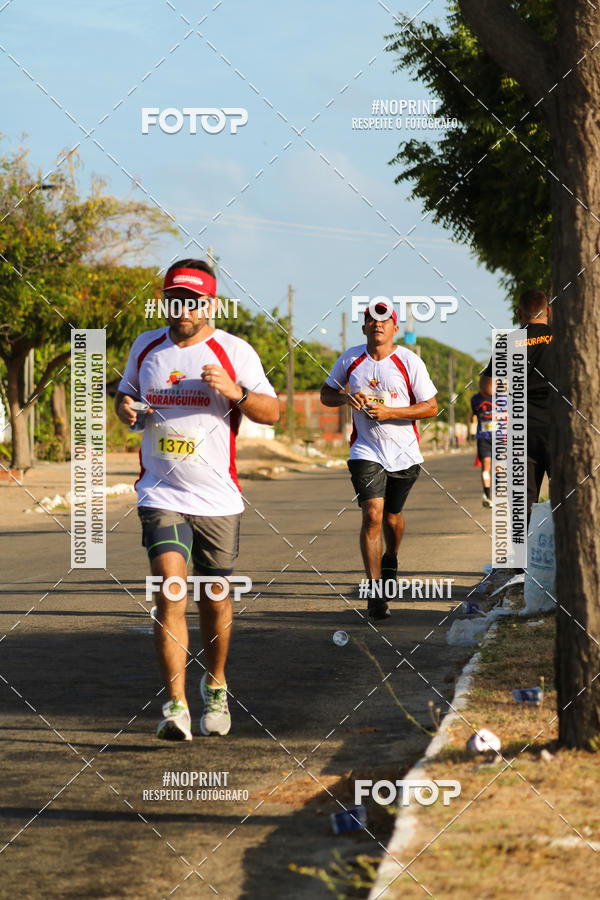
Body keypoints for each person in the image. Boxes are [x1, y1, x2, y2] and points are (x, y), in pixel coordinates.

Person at [115, 259, 280, 741]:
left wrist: (236, 391)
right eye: (174, 298)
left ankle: (216, 684)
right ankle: (176, 706)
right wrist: (125, 406)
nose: (182, 308)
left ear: (208, 303)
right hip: (160, 492)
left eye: (192, 300)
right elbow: (127, 398)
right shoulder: (146, 347)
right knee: (170, 590)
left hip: (218, 499)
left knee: (215, 597)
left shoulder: (233, 350)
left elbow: (271, 411)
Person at [320, 301, 438, 620]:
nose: (378, 325)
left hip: (404, 453)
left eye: (384, 321)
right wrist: (346, 397)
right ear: (364, 327)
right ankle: (375, 594)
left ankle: (392, 557)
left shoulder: (408, 361)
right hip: (365, 451)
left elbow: (430, 407)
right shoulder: (351, 358)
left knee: (392, 518)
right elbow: (326, 393)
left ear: (394, 328)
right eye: (372, 321)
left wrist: (391, 412)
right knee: (373, 513)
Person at [484, 289, 553, 523]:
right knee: (567, 496)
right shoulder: (562, 337)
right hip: (558, 428)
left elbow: (487, 387)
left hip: (522, 430)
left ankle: (522, 557)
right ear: (549, 311)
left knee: (524, 502)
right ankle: (564, 553)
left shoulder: (510, 341)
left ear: (519, 314)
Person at [470, 375, 495, 508]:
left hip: (501, 438)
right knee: (486, 464)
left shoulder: (502, 398)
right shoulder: (475, 399)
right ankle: (487, 495)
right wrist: (472, 432)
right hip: (483, 439)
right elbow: (474, 416)